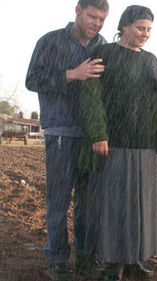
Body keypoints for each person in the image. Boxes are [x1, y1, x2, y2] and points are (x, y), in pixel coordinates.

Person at [78, 5, 157, 281]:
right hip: (114, 144)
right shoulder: (104, 54)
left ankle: (134, 259)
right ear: (124, 26)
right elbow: (90, 95)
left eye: (148, 30)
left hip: (145, 145)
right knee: (114, 207)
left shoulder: (150, 59)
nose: (145, 34)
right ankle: (112, 264)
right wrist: (98, 133)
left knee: (141, 208)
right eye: (140, 28)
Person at [25, 1, 109, 280]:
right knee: (59, 200)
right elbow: (32, 79)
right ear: (77, 10)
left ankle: (86, 258)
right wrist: (73, 74)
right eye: (91, 16)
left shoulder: (102, 45)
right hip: (60, 130)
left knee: (88, 202)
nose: (96, 23)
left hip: (91, 137)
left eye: (101, 19)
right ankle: (57, 259)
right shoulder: (50, 41)